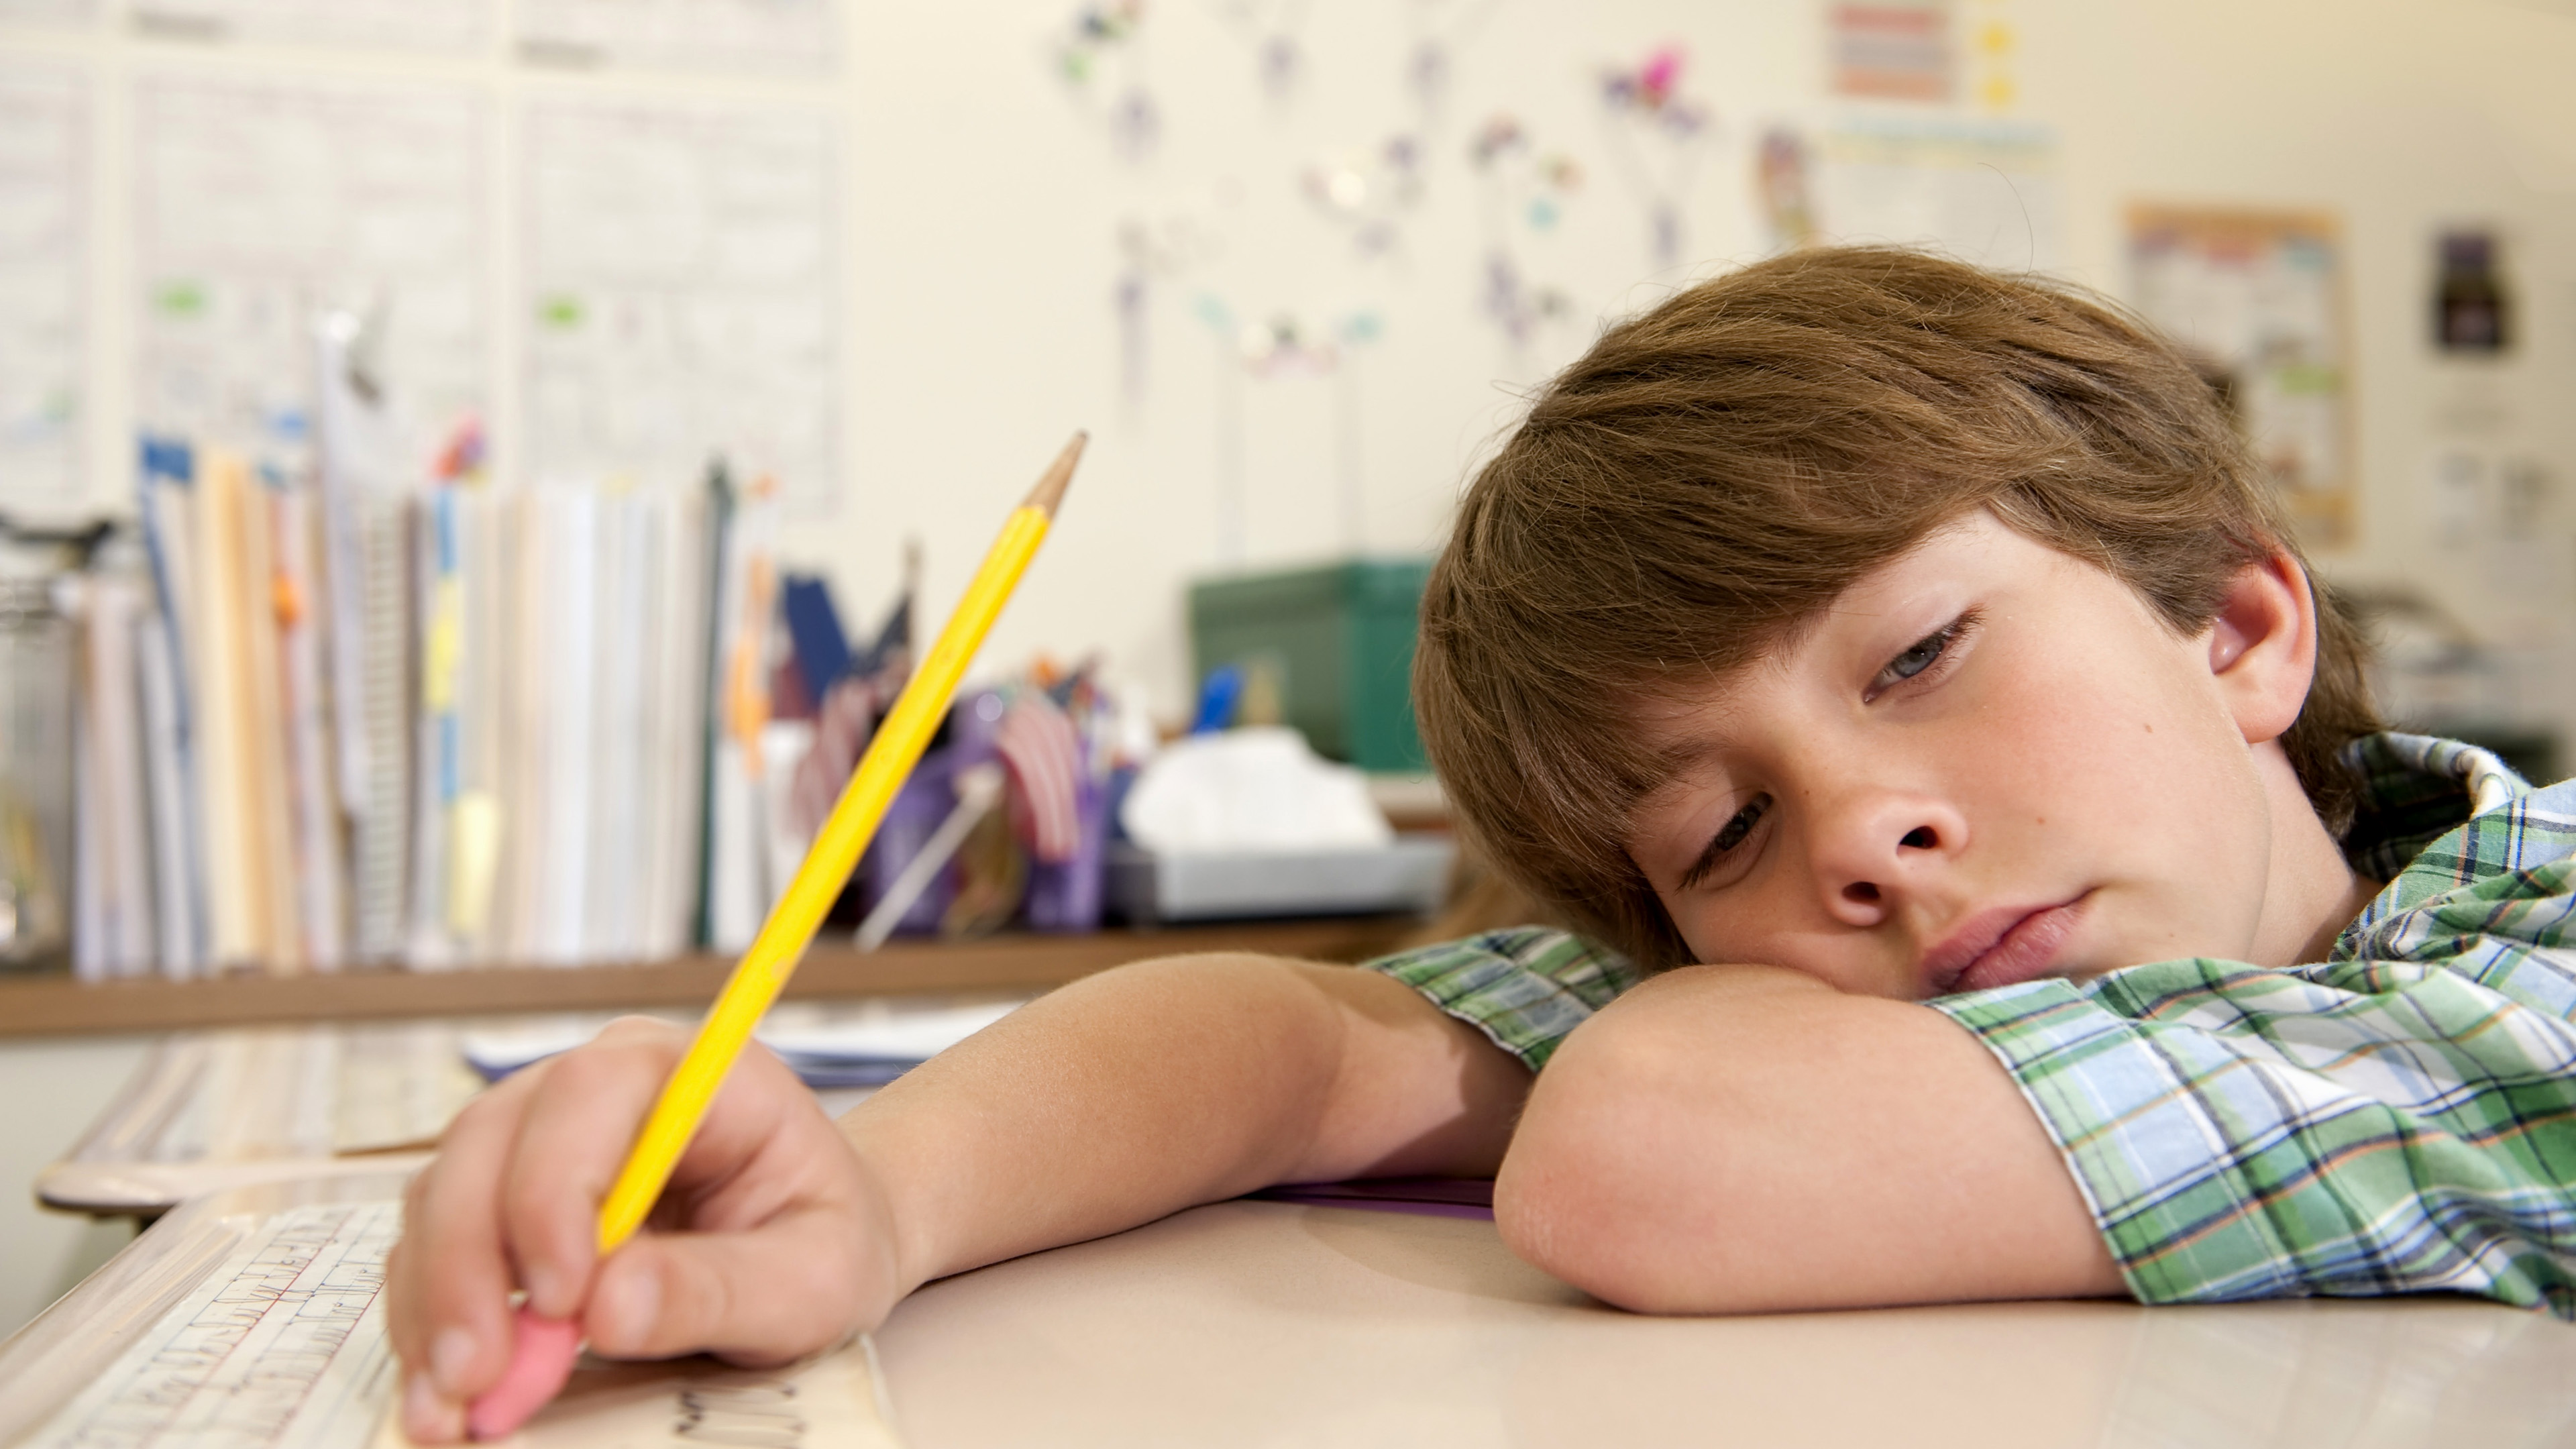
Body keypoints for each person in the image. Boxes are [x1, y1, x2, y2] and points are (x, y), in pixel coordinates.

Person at [386, 248, 2576, 1442]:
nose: (1868, 840)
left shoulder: (2535, 960)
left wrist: (1678, 1048)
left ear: (2239, 625)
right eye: (1720, 828)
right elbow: (1299, 1039)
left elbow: (1655, 1141)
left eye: (1919, 656)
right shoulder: (1833, 996)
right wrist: (872, 1197)